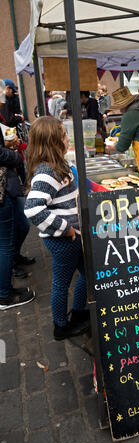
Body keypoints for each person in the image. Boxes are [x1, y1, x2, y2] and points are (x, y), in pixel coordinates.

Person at [24, 116, 90, 340]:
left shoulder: (60, 165)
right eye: (64, 135)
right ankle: (61, 326)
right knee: (61, 283)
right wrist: (66, 229)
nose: (68, 138)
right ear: (53, 142)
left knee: (89, 274)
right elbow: (33, 208)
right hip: (64, 240)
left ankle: (80, 313)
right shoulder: (46, 172)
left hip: (72, 237)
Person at [0, 80, 35, 310]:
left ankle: (14, 259)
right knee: (4, 243)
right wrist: (14, 154)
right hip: (3, 186)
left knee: (21, 224)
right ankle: (4, 294)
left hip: (8, 185)